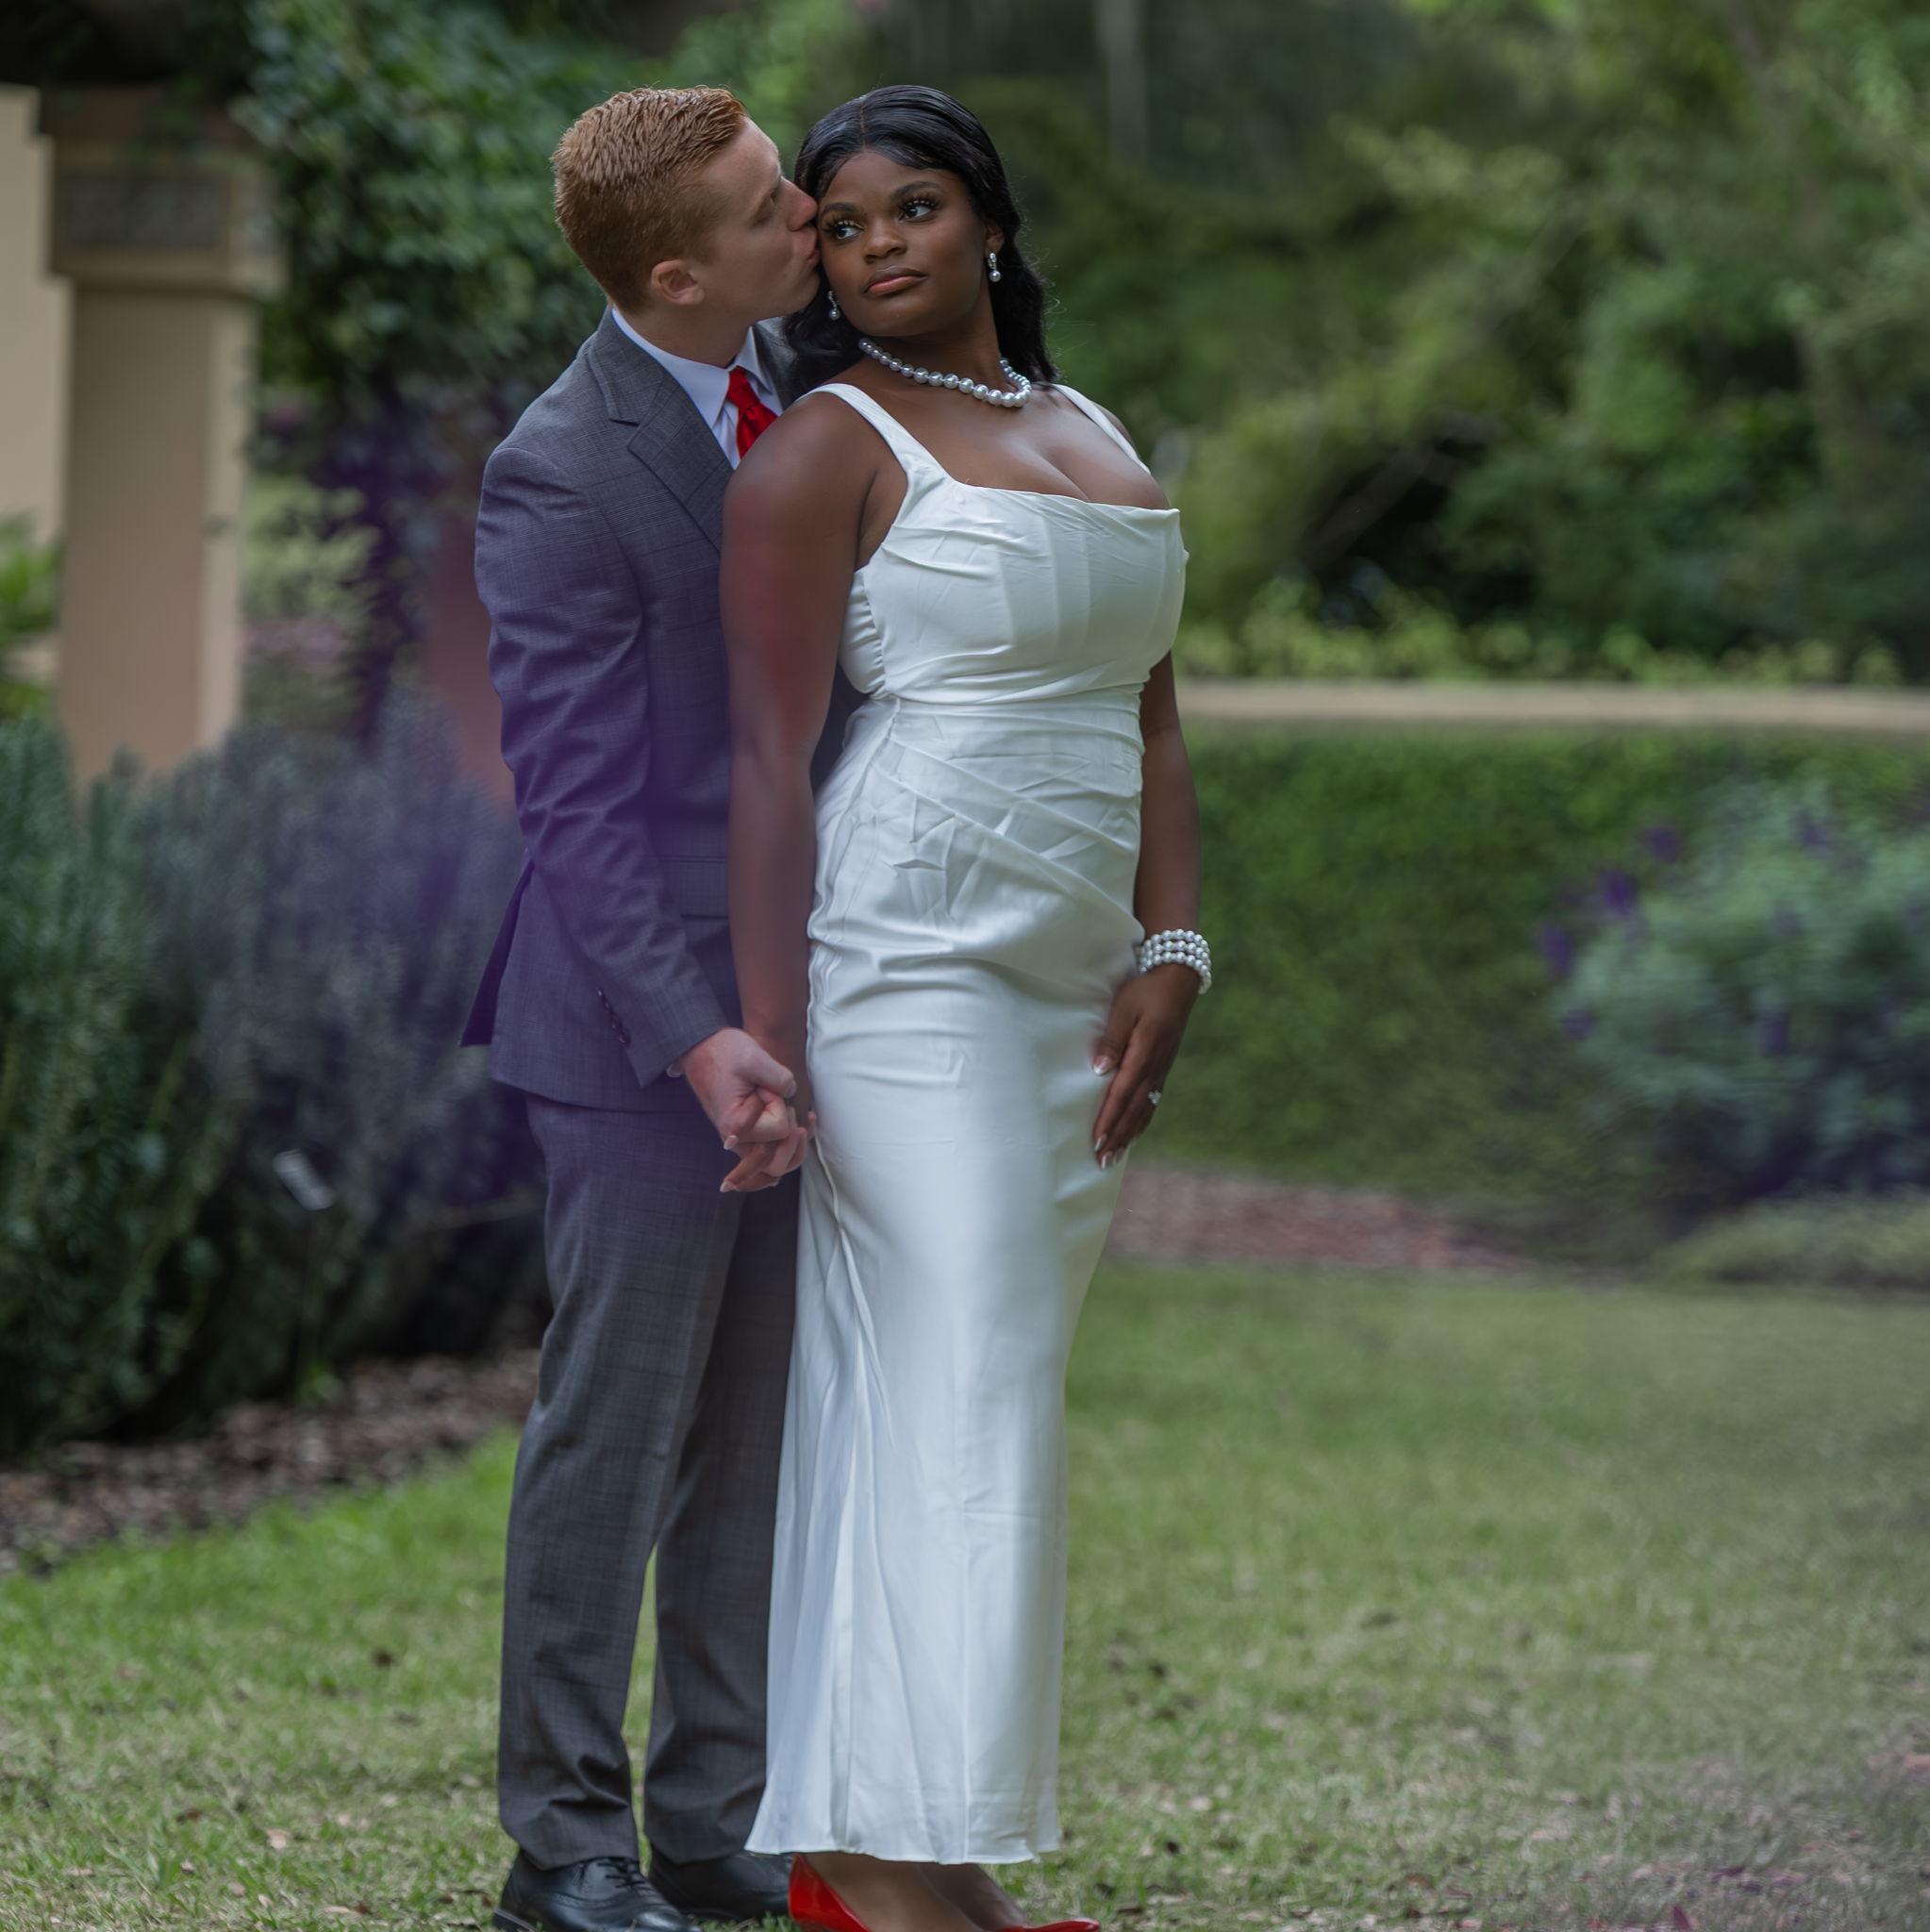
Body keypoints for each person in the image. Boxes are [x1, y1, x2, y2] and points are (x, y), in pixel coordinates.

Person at [717, 85, 1209, 1932]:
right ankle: (893, 1870)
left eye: (913, 207)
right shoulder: (823, 449)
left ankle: (892, 1859)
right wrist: (769, 1034)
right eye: (843, 227)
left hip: (1072, 972)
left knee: (953, 1391)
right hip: (907, 967)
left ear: (989, 222)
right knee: (965, 1380)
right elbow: (765, 764)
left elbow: (1151, 712)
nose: (879, 248)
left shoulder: (1089, 424)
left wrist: (1175, 945)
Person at [459, 85, 860, 1932]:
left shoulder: (811, 381)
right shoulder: (561, 468)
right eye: (775, 206)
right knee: (610, 1440)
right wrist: (702, 1039)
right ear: (678, 273)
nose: (815, 217)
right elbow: (575, 807)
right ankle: (563, 1846)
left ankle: (713, 1817)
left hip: (814, 1006)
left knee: (755, 1439)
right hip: (639, 1041)